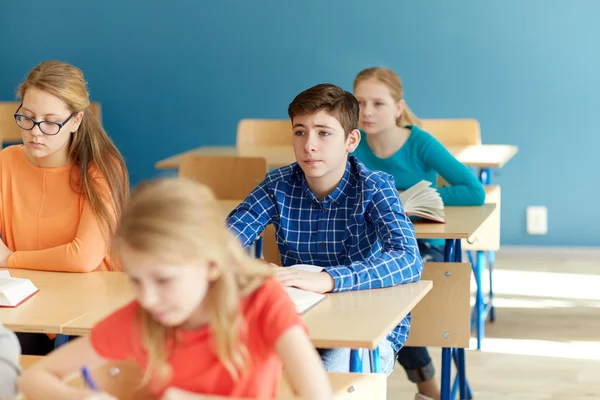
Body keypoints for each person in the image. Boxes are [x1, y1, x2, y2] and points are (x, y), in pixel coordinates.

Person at [18, 178, 332, 400]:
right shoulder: (143, 318)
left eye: (164, 280)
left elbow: (316, 395)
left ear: (211, 264)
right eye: (136, 281)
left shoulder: (262, 301)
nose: (148, 298)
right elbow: (35, 377)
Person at [227, 83, 423, 375]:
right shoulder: (276, 184)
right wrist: (250, 269)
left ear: (351, 140)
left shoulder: (375, 185)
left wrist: (330, 279)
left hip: (364, 327)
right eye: (300, 132)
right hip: (296, 321)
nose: (309, 145)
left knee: (327, 380)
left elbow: (408, 259)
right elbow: (222, 242)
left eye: (324, 133)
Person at [353, 66, 485, 400]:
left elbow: (473, 191)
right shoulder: (352, 144)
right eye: (359, 102)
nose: (367, 112)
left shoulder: (420, 143)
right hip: (375, 246)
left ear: (398, 107)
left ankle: (428, 389)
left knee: (396, 297)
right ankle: (362, 384)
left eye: (378, 104)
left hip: (425, 244)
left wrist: (414, 200)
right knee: (373, 300)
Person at [0, 60, 129, 355]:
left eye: (50, 121)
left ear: (75, 121)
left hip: (91, 312)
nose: (36, 132)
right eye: (28, 118)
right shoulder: (7, 162)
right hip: (27, 305)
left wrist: (9, 258)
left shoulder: (102, 168)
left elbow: (83, 258)